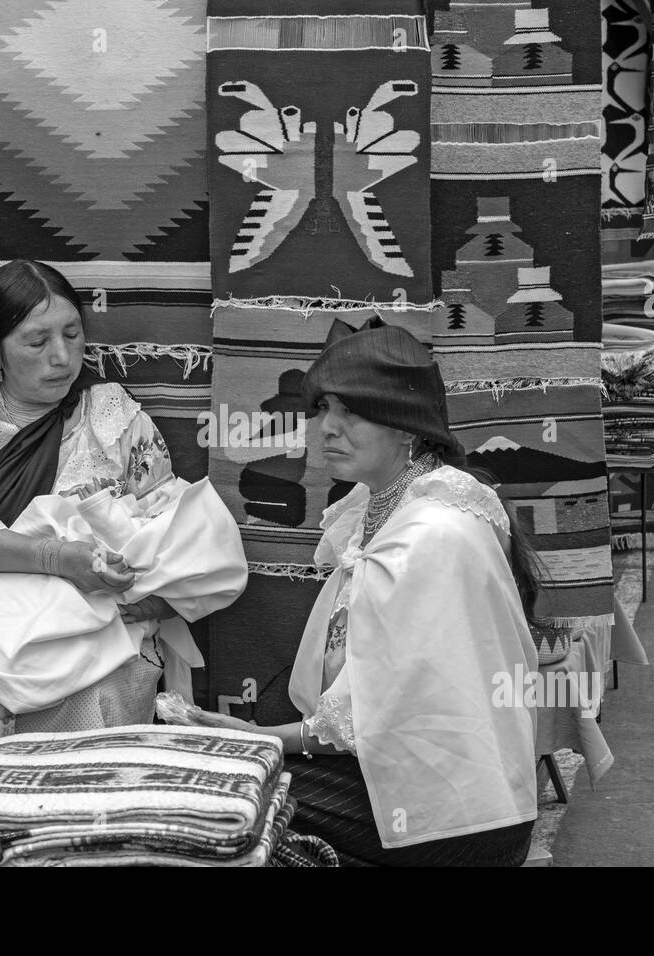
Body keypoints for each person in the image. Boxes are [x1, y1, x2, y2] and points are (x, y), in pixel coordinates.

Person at [196, 318, 542, 866]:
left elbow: (363, 717)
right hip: (424, 781)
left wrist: (251, 738)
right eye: (324, 409)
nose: (327, 429)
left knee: (229, 806)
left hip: (454, 818)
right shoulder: (395, 508)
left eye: (350, 411)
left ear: (407, 427)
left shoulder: (429, 536)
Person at [0, 260, 245, 741]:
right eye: (37, 342)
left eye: (73, 335)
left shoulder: (111, 416)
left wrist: (164, 597)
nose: (62, 357)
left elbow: (177, 528)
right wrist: (58, 558)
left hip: (110, 637)